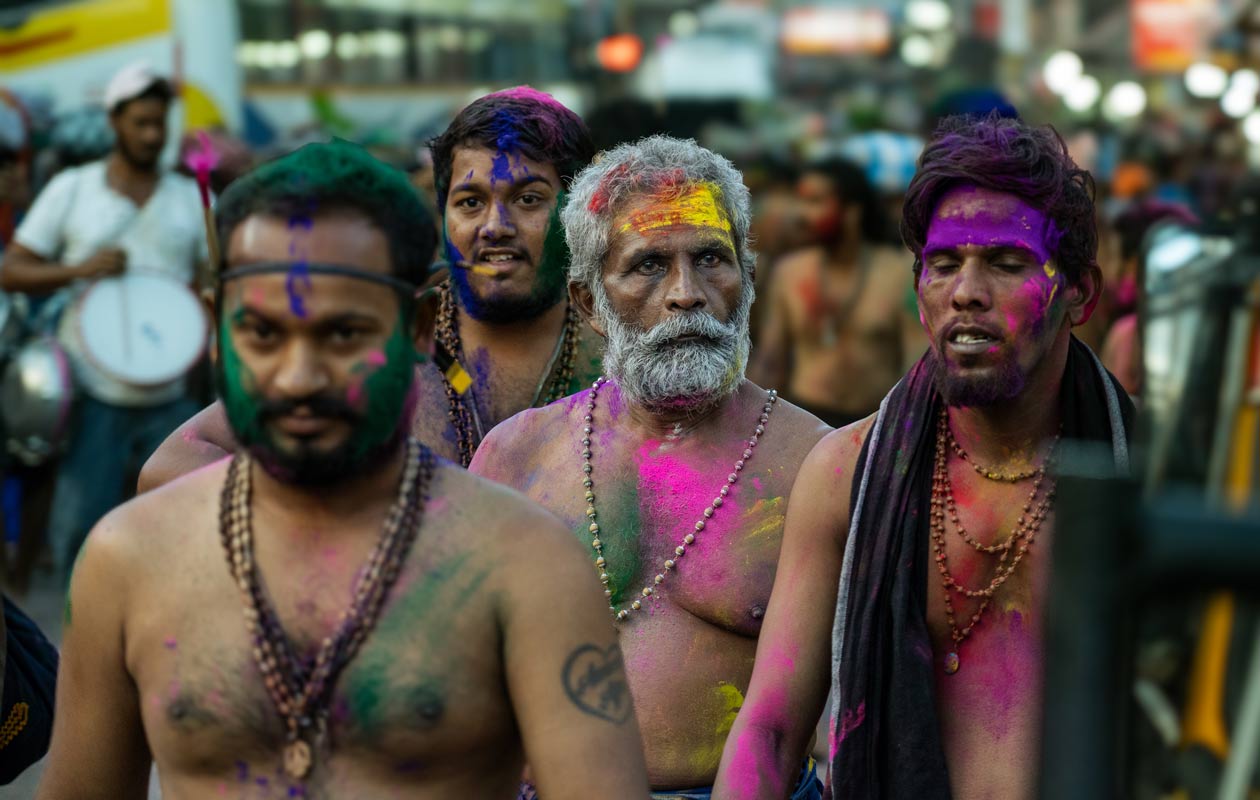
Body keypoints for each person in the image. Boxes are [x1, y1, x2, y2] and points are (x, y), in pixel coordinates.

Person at [35, 140, 649, 799]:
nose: (299, 377)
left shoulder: (525, 566)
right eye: (263, 335)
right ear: (217, 329)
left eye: (344, 335)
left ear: (416, 328)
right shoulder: (127, 562)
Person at [713, 115, 1136, 800]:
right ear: (919, 291)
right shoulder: (845, 471)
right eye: (944, 265)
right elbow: (770, 728)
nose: (966, 291)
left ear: (1079, 293)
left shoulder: (1143, 476)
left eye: (1006, 263)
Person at [470, 136, 830, 799]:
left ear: (747, 280)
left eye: (712, 260)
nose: (686, 294)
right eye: (648, 266)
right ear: (587, 304)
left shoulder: (815, 463)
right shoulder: (514, 455)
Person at [137, 86, 604, 487]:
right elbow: (171, 464)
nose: (494, 226)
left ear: (577, 210)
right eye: (470, 201)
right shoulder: (380, 341)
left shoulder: (615, 357)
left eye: (528, 199)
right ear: (442, 214)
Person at [0, 62, 207, 582]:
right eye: (140, 122)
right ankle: (83, 650)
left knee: (182, 530)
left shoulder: (190, 197)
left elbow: (216, 278)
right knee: (82, 534)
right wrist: (78, 269)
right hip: (93, 394)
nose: (152, 134)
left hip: (175, 399)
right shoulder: (73, 189)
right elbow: (11, 270)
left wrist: (208, 302)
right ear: (114, 122)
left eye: (159, 122)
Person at [750, 158, 924, 429]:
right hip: (805, 426)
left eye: (816, 202)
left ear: (851, 211)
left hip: (874, 426)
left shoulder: (899, 273)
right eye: (802, 201)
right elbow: (771, 363)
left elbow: (916, 368)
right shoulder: (789, 272)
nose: (801, 214)